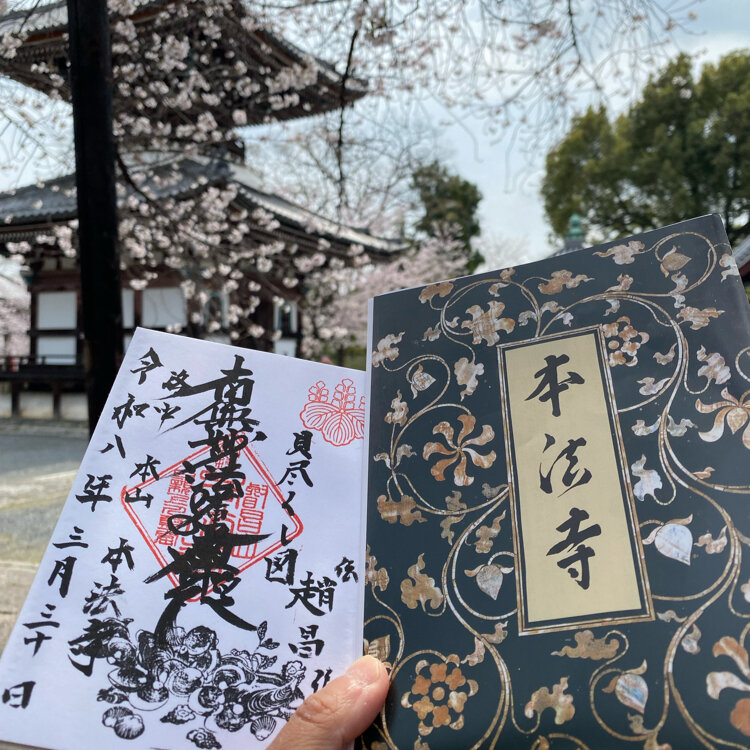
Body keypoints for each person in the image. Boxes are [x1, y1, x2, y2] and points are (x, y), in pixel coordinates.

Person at [268, 655, 390, 750]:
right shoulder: (275, 683)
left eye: (296, 670)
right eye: (291, 670)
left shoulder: (297, 695)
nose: (294, 672)